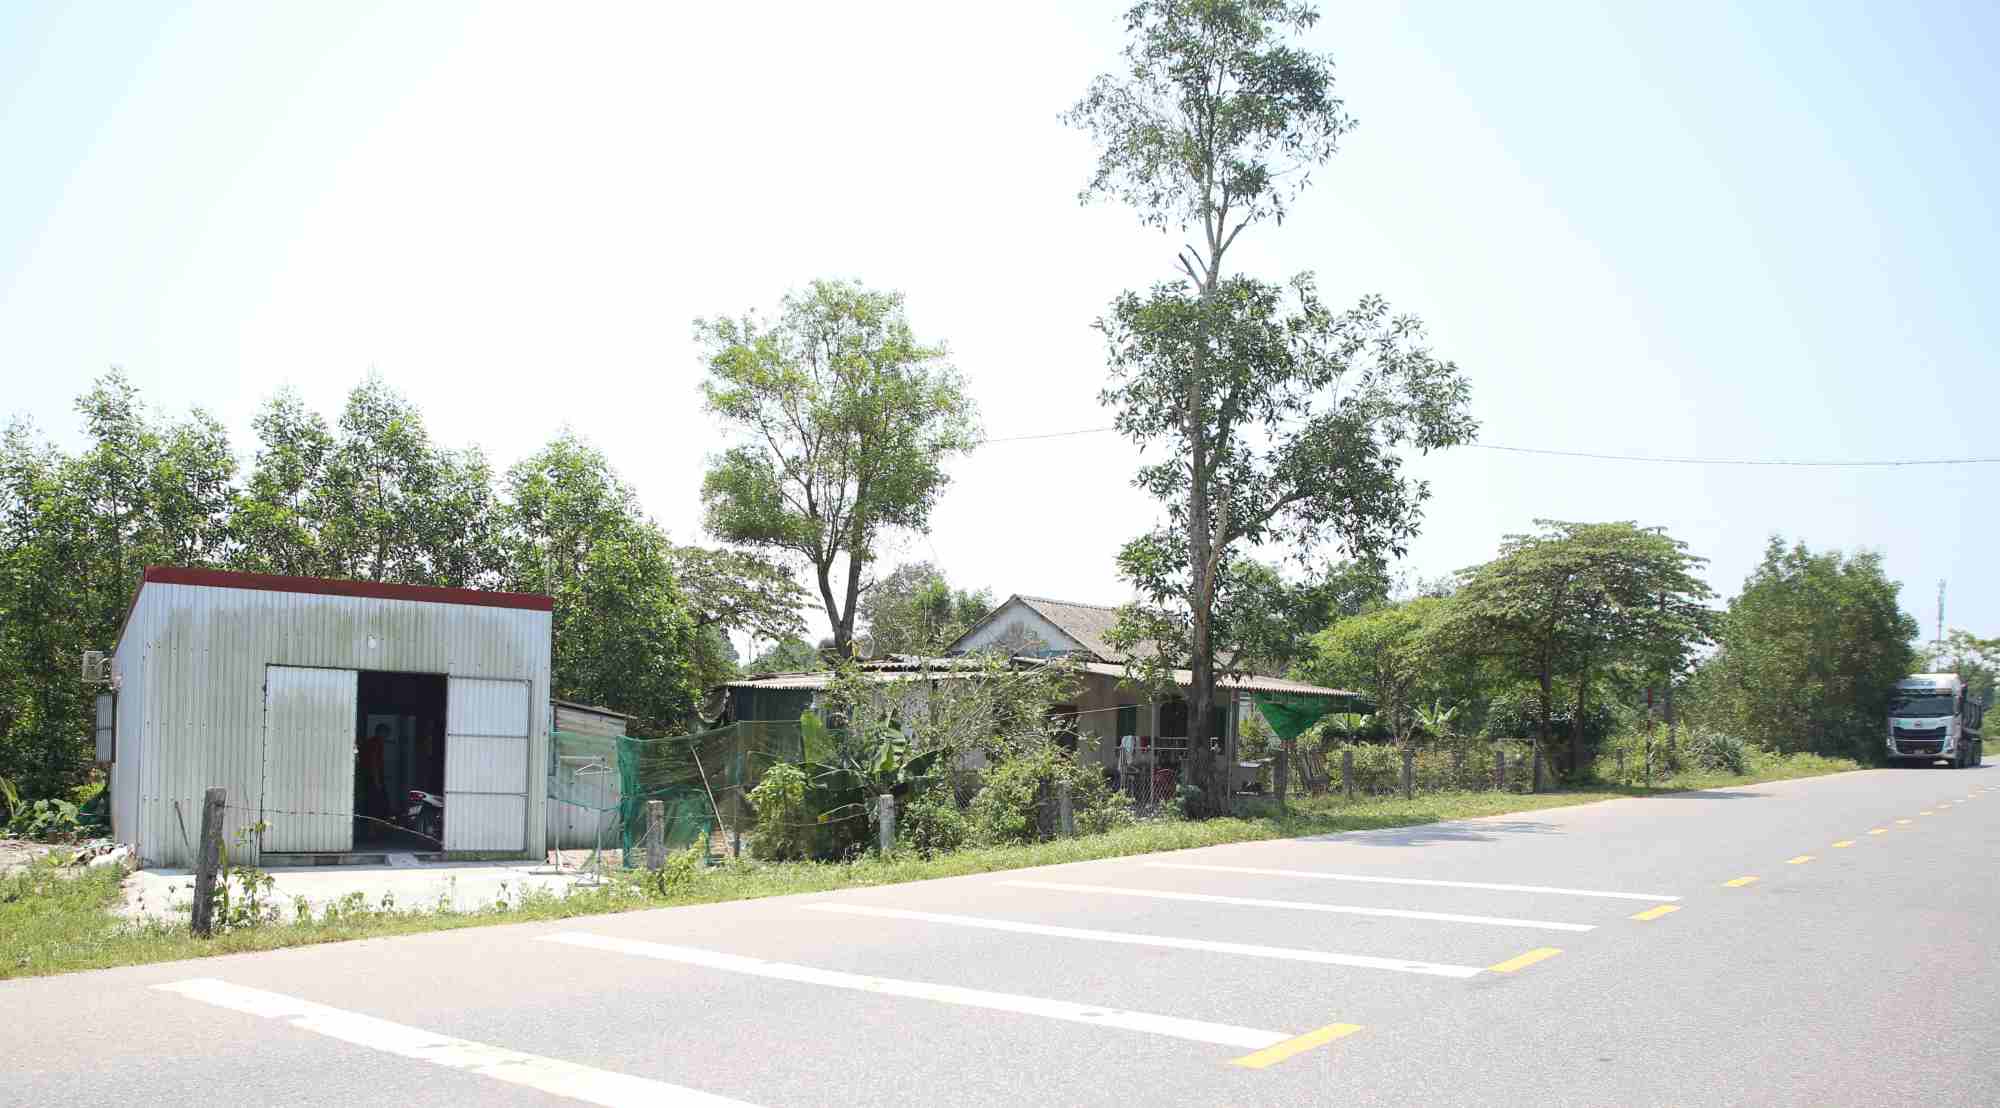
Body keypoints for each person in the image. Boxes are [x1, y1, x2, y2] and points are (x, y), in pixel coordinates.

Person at [358, 722, 389, 819]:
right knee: (377, 804)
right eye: (386, 733)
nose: (386, 736)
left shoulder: (370, 742)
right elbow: (374, 763)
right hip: (373, 778)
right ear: (381, 732)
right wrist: (377, 782)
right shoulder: (376, 744)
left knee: (371, 802)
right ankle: (375, 826)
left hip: (367, 777)